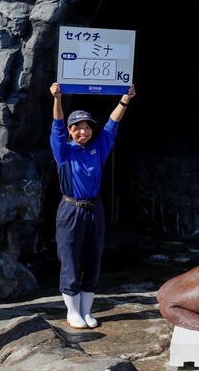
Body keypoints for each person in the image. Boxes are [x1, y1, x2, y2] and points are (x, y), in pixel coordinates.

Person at [49, 82, 136, 329]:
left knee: (93, 258)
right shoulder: (63, 151)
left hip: (94, 209)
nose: (84, 132)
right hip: (71, 209)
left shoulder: (98, 149)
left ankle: (87, 310)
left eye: (87, 128)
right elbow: (56, 128)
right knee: (71, 259)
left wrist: (125, 100)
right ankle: (72, 311)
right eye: (78, 128)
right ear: (70, 131)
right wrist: (57, 99)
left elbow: (111, 127)